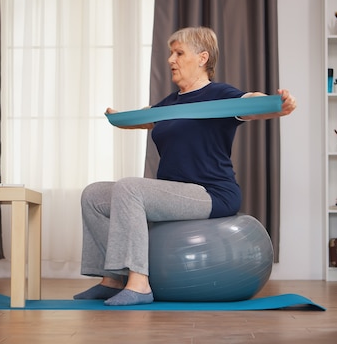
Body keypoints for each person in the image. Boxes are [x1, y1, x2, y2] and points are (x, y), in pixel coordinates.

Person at [74, 26, 297, 306]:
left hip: (211, 193)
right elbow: (145, 118)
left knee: (130, 187)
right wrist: (119, 116)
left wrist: (276, 103)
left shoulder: (220, 95)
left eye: (179, 53)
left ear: (202, 58)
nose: (170, 59)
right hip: (174, 191)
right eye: (171, 53)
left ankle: (140, 284)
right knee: (93, 195)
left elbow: (250, 102)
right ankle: (111, 279)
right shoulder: (170, 104)